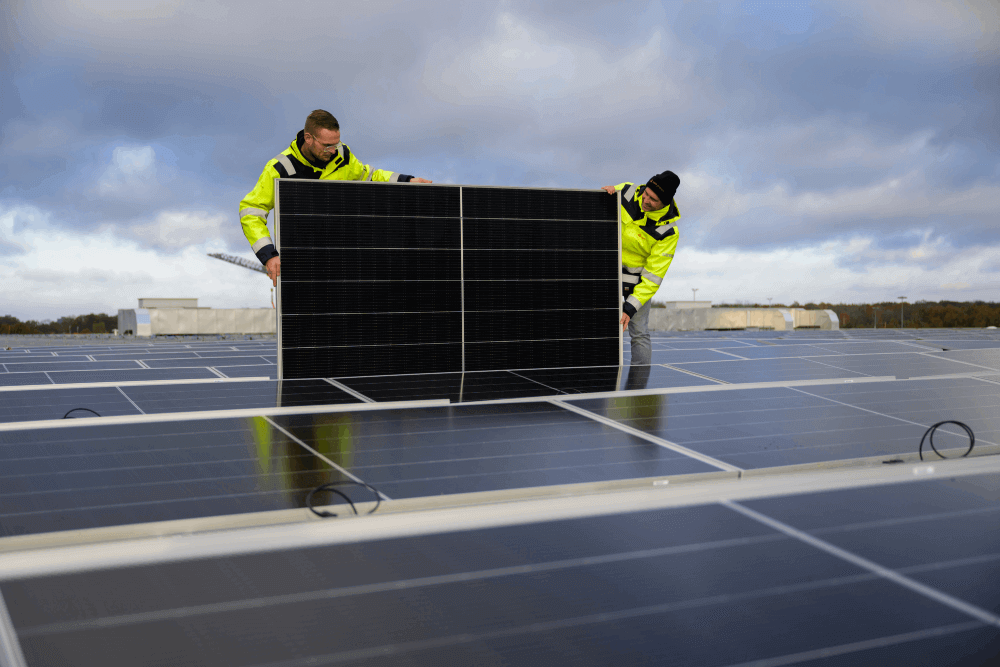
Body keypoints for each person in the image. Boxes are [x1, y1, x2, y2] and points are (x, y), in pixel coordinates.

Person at [239, 110, 432, 286]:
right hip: (300, 265)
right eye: (326, 146)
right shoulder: (280, 168)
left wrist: (407, 180)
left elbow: (369, 176)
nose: (332, 151)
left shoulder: (343, 156)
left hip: (341, 263)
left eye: (336, 144)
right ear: (308, 138)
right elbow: (251, 211)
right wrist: (269, 256)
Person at [601, 171, 681, 367]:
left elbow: (653, 275)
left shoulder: (668, 232)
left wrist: (630, 307)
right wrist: (608, 193)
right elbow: (602, 203)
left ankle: (639, 388)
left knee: (639, 333)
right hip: (606, 272)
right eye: (646, 193)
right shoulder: (628, 192)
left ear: (665, 201)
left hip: (636, 284)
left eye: (653, 199)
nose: (645, 200)